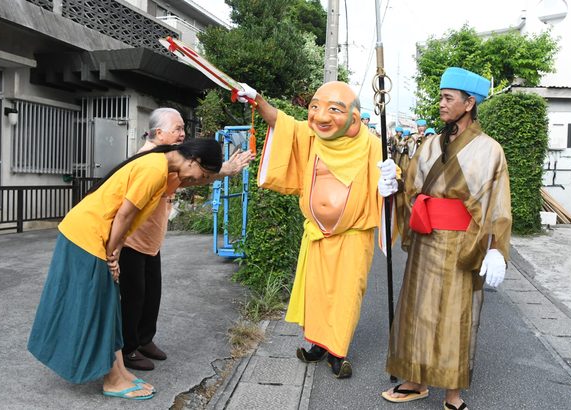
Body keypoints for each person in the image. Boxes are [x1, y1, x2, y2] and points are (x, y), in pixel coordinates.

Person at [28, 138, 223, 400]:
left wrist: (115, 251)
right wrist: (113, 255)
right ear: (194, 160)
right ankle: (112, 379)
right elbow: (124, 214)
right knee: (98, 309)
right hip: (87, 236)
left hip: (91, 234)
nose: (202, 180)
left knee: (108, 307)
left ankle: (118, 372)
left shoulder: (161, 166)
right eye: (205, 174)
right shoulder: (154, 169)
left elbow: (126, 216)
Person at [236, 81, 391, 379]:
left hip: (353, 235)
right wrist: (258, 99)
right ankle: (318, 345)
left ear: (354, 119)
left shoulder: (372, 144)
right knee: (317, 293)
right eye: (315, 107)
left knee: (345, 295)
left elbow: (392, 177)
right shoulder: (313, 137)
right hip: (316, 234)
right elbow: (281, 123)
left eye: (334, 109)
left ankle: (338, 351)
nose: (321, 116)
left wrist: (390, 181)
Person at [378, 67, 511, 410]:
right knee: (417, 311)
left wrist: (495, 248)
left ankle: (452, 393)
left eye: (448, 98)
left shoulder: (489, 150)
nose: (441, 104)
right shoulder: (430, 144)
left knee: (456, 315)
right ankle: (414, 380)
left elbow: (496, 202)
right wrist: (392, 190)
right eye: (441, 97)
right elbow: (412, 188)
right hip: (425, 239)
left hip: (463, 242)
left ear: (469, 104)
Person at [120, 108, 254, 371]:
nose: (183, 134)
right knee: (133, 298)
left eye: (183, 128)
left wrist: (225, 170)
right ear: (159, 133)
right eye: (177, 129)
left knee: (151, 294)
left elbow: (185, 179)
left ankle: (144, 340)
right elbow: (126, 212)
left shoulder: (166, 159)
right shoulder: (148, 161)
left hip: (150, 242)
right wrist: (224, 170)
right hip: (131, 242)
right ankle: (127, 349)